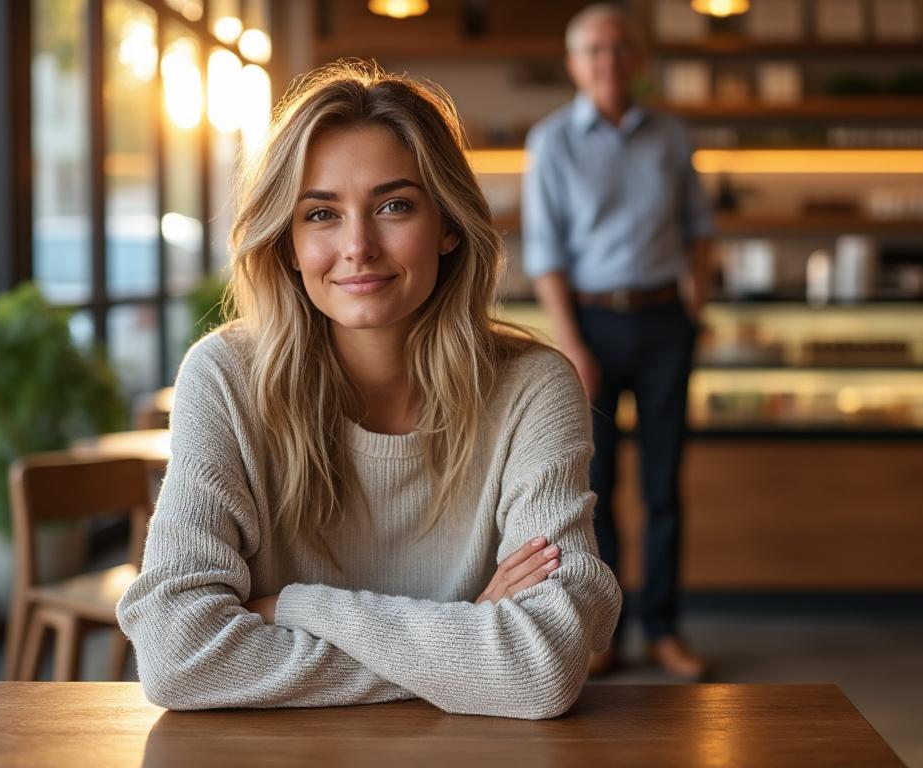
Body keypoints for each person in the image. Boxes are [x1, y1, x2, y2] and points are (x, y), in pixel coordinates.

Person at [116, 63, 621, 719]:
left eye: (393, 206)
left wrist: (296, 606)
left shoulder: (535, 387)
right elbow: (176, 655)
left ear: (446, 226)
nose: (357, 246)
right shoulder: (223, 377)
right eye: (321, 213)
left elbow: (542, 668)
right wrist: (465, 638)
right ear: (290, 244)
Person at [522, 4, 714, 680]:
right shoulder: (551, 141)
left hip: (666, 325)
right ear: (575, 64)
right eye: (594, 49)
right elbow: (543, 253)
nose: (608, 60)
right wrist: (571, 343)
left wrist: (698, 308)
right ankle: (605, 634)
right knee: (593, 490)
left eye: (619, 47)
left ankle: (663, 629)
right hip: (591, 326)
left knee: (665, 488)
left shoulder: (670, 135)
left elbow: (701, 230)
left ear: (638, 59)